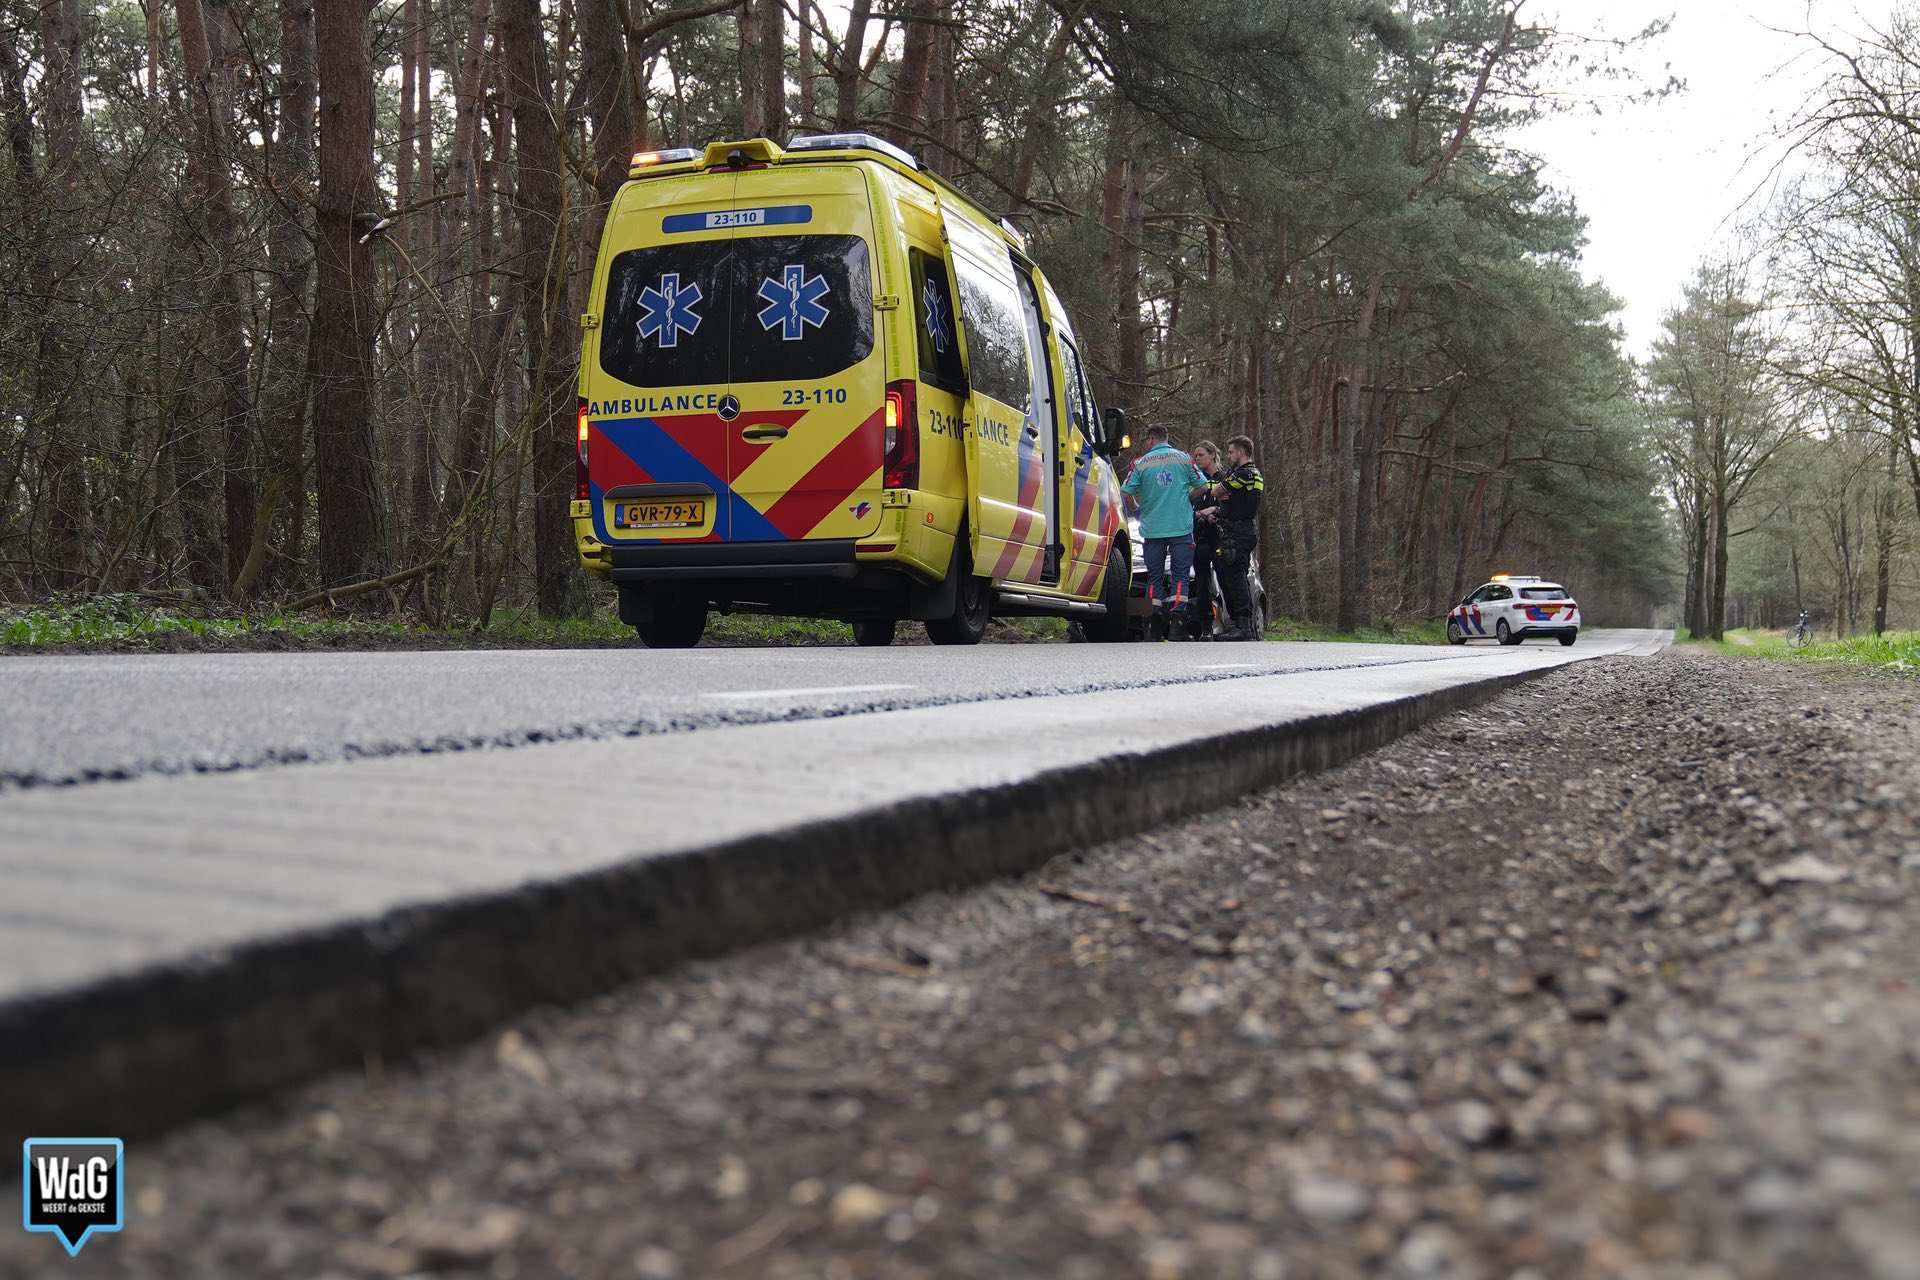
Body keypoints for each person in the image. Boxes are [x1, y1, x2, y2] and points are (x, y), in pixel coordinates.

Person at [1120, 424, 1208, 640]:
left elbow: (1125, 491)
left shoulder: (1140, 464)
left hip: (1152, 528)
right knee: (1180, 576)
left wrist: (1138, 511)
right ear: (1166, 438)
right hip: (1180, 526)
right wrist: (1186, 499)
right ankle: (1177, 625)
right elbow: (1204, 486)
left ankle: (1152, 624)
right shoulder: (1184, 459)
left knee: (1154, 577)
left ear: (1151, 439)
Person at [1209, 435, 1265, 640]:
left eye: (1232, 452)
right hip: (1235, 530)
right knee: (1226, 574)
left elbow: (1217, 490)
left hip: (1239, 532)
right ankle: (1236, 624)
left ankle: (1243, 625)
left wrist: (1223, 492)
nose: (1229, 455)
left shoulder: (1246, 473)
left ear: (1241, 452)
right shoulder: (1246, 474)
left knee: (1235, 576)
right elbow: (1222, 494)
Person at [1187, 441, 1225, 639]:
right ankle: (1206, 626)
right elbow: (1186, 506)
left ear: (1212, 455)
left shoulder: (1225, 477)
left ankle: (1234, 623)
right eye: (1195, 455)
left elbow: (1233, 505)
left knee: (1225, 578)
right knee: (1201, 583)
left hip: (1220, 535)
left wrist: (1216, 512)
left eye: (1201, 454)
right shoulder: (1194, 480)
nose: (1197, 458)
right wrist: (1198, 515)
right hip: (1199, 535)